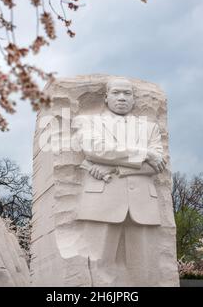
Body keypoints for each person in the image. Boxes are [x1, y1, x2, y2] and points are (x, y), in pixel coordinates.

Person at [71, 77, 168, 286]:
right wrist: (143, 153)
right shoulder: (89, 122)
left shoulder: (149, 128)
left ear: (134, 99)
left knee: (145, 269)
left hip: (143, 204)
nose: (122, 98)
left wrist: (113, 167)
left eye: (127, 93)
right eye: (116, 93)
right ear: (106, 97)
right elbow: (95, 149)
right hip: (101, 200)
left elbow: (157, 165)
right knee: (98, 265)